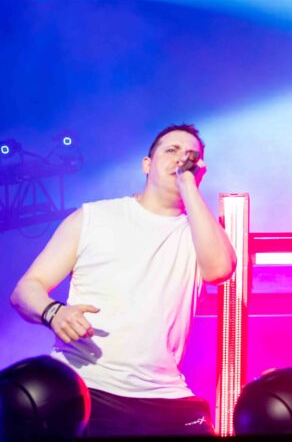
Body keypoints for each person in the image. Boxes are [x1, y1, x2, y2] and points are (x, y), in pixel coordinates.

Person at [10, 123, 236, 437]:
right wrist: (54, 312)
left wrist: (188, 185)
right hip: (86, 387)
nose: (181, 159)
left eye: (191, 157)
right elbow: (25, 289)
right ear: (147, 164)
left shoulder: (198, 234)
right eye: (171, 151)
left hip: (165, 395)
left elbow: (220, 269)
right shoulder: (94, 217)